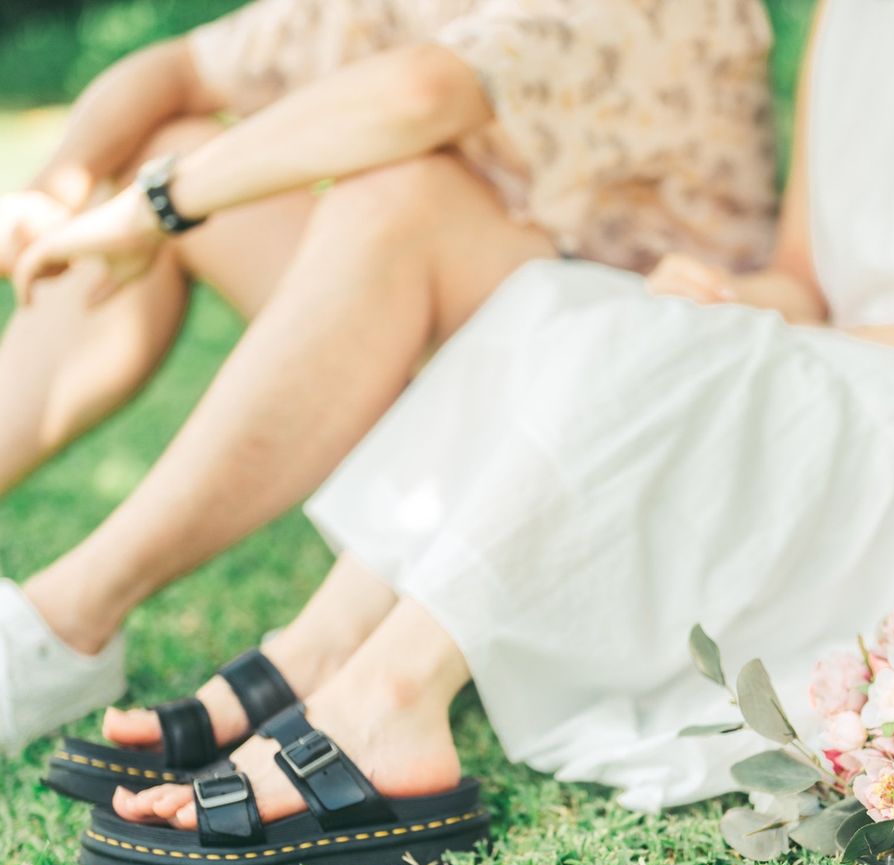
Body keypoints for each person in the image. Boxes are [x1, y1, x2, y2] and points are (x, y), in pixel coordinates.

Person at [71, 0, 894, 865]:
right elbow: (804, 281)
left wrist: (764, 341)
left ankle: (386, 703)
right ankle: (319, 651)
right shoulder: (849, 13)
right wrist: (720, 301)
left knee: (681, 350)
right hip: (893, 384)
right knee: (567, 304)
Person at [0, 0, 776, 754]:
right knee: (167, 144)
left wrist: (156, 205)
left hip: (636, 401)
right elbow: (176, 71)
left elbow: (422, 93)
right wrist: (57, 189)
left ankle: (62, 627)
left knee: (400, 196)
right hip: (461, 355)